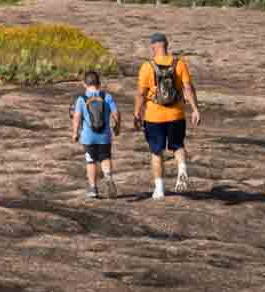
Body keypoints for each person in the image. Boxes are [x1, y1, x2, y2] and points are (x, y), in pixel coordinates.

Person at [132, 31, 199, 198]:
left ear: (154, 46)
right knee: (178, 145)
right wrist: (195, 109)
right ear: (166, 45)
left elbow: (141, 94)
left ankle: (159, 189)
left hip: (154, 117)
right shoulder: (179, 64)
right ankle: (182, 170)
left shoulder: (147, 66)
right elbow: (188, 88)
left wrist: (137, 113)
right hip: (176, 114)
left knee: (156, 152)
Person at [71, 68, 120, 198]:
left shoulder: (81, 99)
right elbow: (116, 113)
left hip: (88, 137)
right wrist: (117, 126)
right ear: (99, 83)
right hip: (104, 136)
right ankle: (108, 178)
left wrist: (75, 133)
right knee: (105, 157)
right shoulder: (106, 97)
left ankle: (93, 189)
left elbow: (76, 117)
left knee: (91, 161)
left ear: (84, 84)